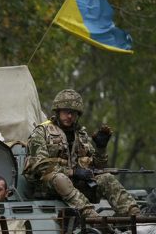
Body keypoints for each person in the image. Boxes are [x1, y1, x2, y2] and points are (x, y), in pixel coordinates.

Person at [23, 89, 140, 219]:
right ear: (57, 111)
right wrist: (73, 172)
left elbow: (97, 167)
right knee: (60, 179)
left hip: (75, 186)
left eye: (74, 113)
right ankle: (92, 218)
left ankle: (135, 217)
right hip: (47, 187)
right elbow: (41, 166)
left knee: (106, 178)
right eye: (66, 112)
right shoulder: (41, 132)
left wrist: (101, 148)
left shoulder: (81, 134)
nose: (70, 116)